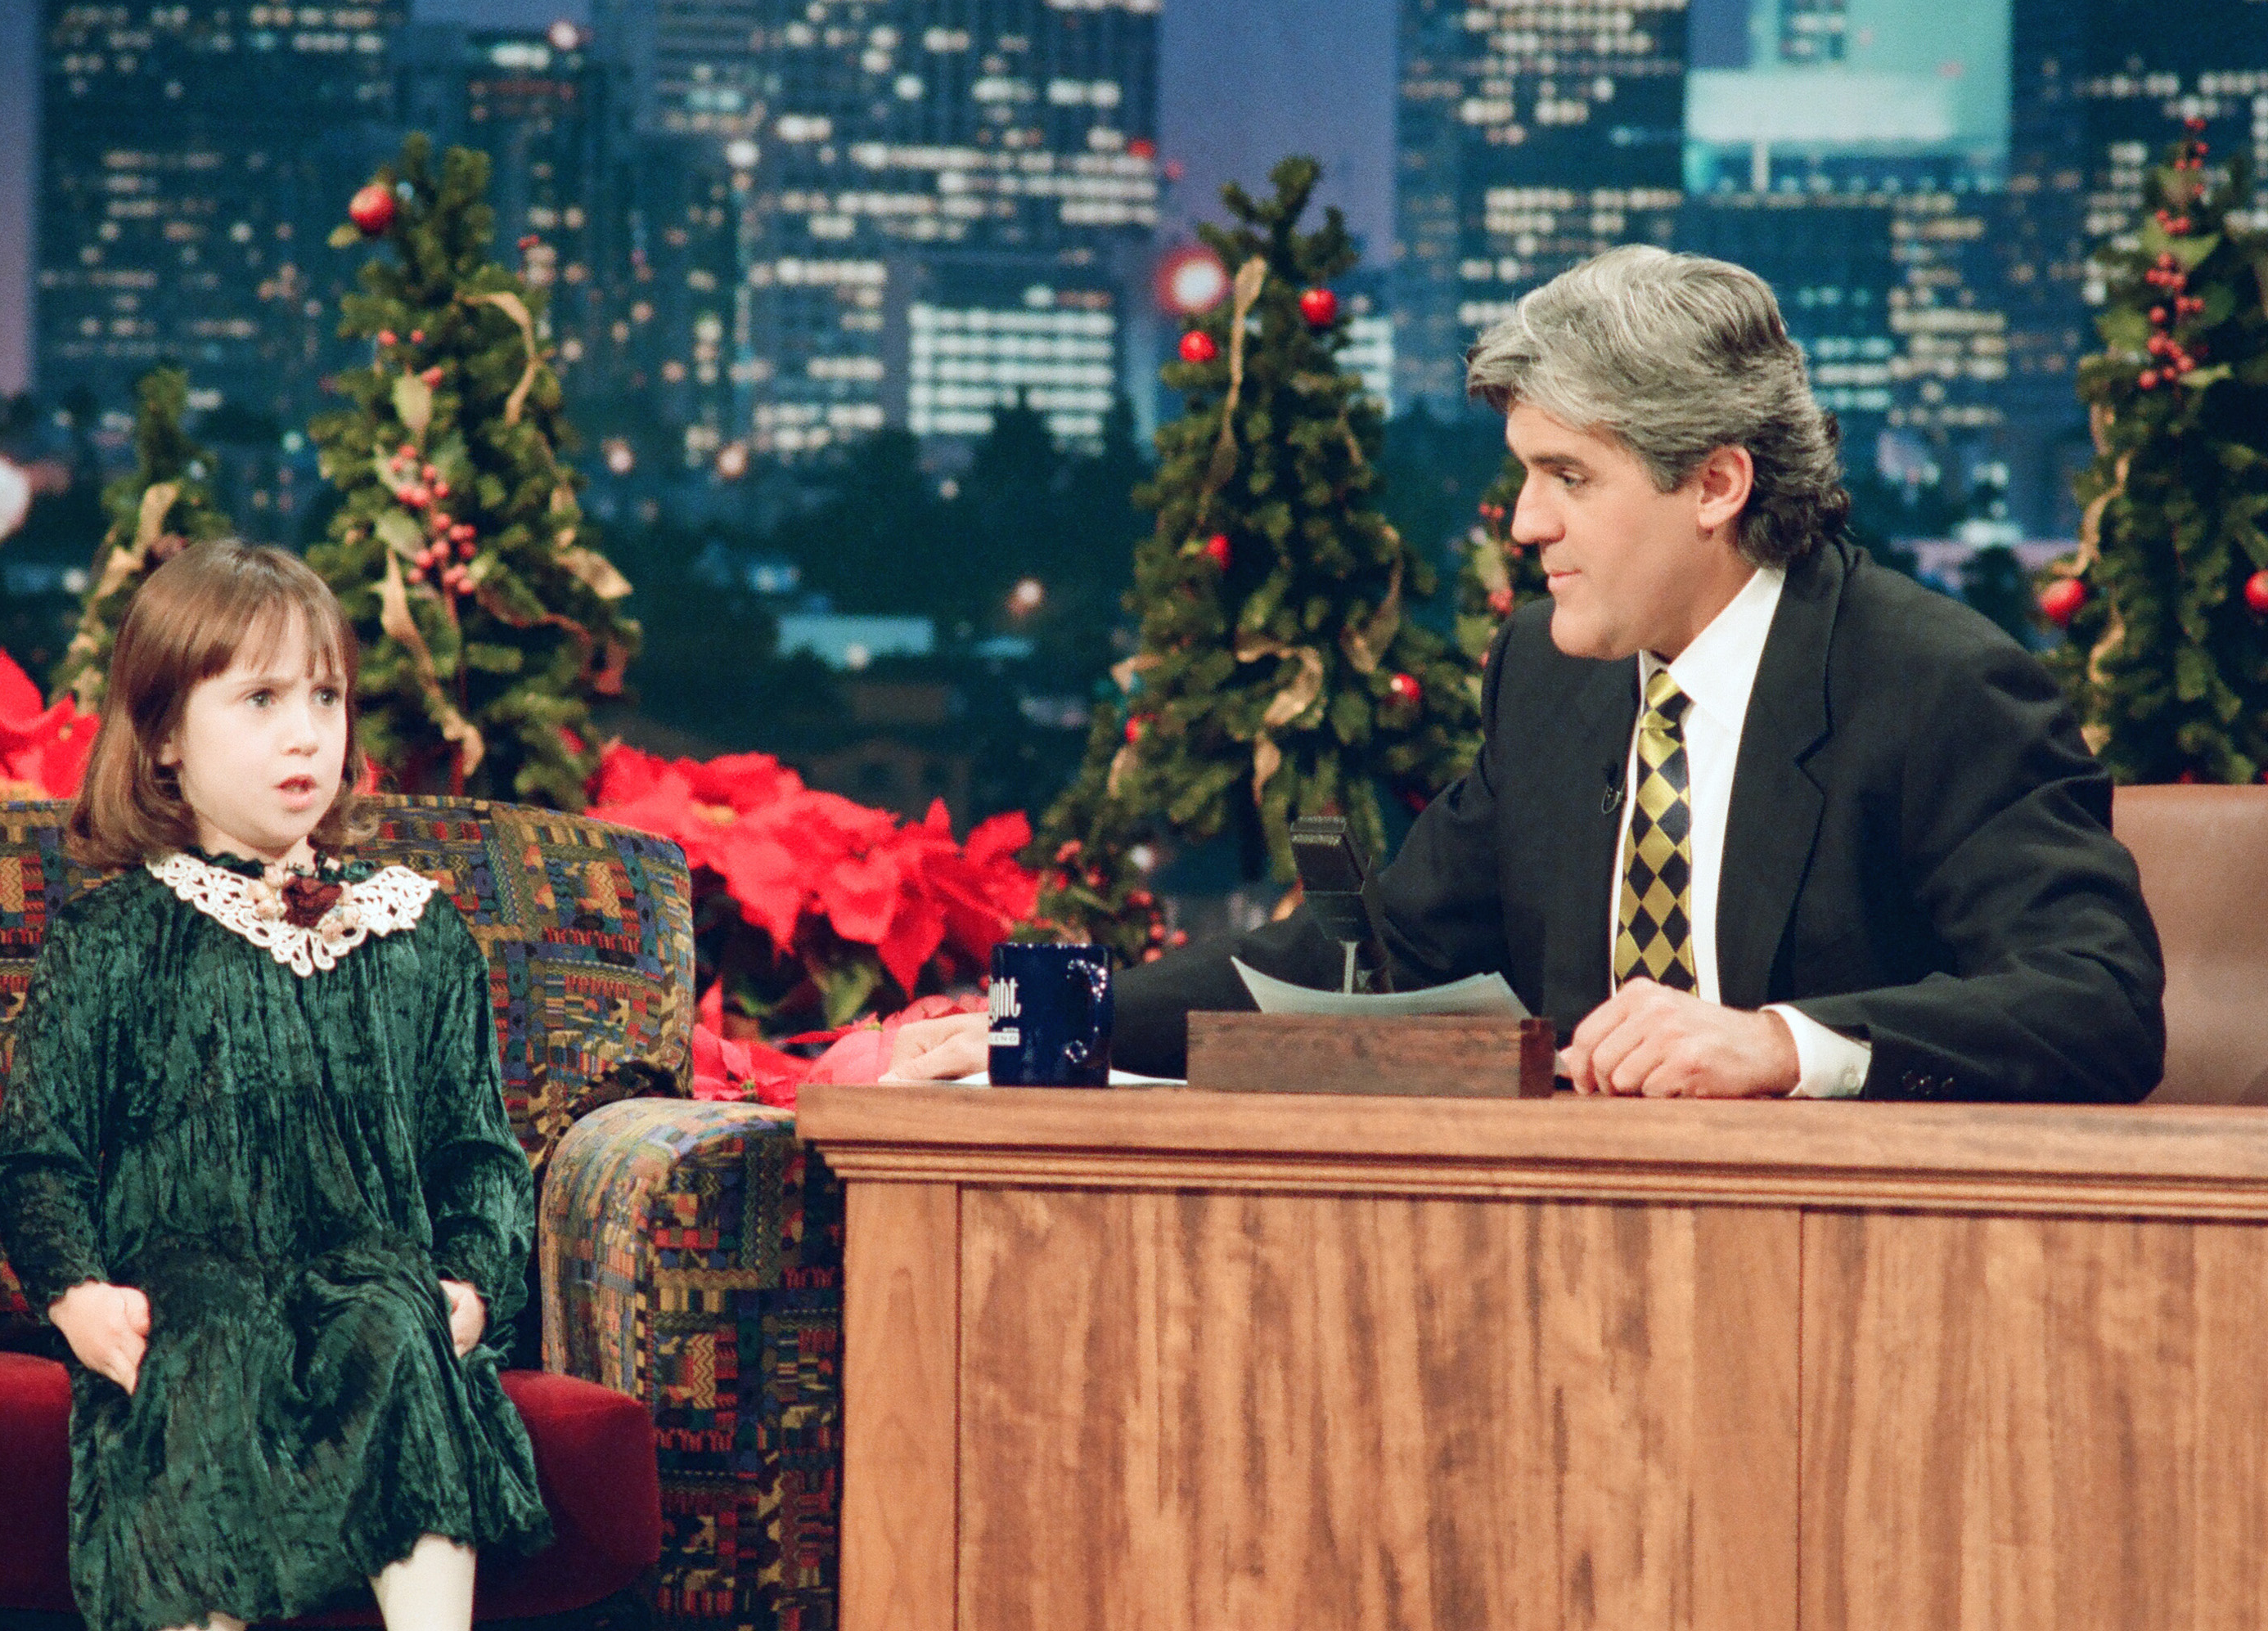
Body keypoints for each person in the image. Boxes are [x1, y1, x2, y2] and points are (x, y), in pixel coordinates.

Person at [888, 245, 2165, 1101]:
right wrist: (1061, 1019)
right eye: (1523, 475)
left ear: (1715, 482)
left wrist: (1783, 1044)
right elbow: (1376, 955)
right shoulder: (1553, 679)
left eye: (1569, 477)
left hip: (1846, 1293)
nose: (1522, 525)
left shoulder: (1937, 684)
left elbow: (2098, 1003)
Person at [0, 541, 550, 1631]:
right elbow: (40, 1157)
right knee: (207, 1344)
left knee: (392, 1318)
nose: (305, 732)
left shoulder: (417, 933)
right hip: (195, 1284)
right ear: (163, 742)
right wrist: (76, 1295)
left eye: (325, 696)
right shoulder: (115, 936)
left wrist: (472, 1282)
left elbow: (476, 1153)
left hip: (375, 1273)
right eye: (259, 698)